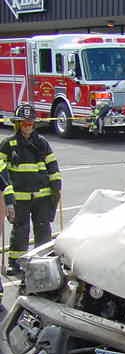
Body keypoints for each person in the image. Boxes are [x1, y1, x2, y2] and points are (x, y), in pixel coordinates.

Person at [0, 104, 62, 276]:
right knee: (20, 230)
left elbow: (53, 166)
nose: (27, 126)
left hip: (42, 197)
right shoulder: (8, 145)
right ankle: (16, 263)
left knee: (43, 229)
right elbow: (2, 172)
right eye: (24, 123)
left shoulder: (41, 143)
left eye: (30, 123)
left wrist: (56, 188)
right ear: (18, 124)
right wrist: (8, 198)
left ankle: (43, 262)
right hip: (20, 198)